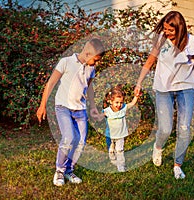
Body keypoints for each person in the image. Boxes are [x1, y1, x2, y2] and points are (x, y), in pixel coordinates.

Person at [134, 11, 194, 179]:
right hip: (163, 88)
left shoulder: (192, 43)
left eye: (170, 30)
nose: (167, 32)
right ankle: (158, 146)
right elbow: (149, 62)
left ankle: (178, 165)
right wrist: (139, 82)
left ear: (180, 29)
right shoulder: (161, 41)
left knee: (184, 129)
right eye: (164, 28)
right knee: (165, 128)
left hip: (186, 88)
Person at [36, 38, 105, 186]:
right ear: (87, 53)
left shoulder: (91, 68)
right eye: (96, 59)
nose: (96, 63)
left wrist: (92, 107)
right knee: (68, 138)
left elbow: (90, 88)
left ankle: (69, 170)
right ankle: (59, 171)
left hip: (80, 109)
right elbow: (51, 83)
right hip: (63, 107)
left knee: (80, 142)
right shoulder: (66, 62)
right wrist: (42, 106)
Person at [98, 85, 138, 172]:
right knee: (111, 150)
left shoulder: (123, 108)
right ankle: (113, 161)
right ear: (111, 101)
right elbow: (99, 117)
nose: (119, 105)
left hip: (120, 135)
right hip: (110, 136)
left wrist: (136, 96)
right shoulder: (107, 111)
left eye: (121, 102)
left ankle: (121, 166)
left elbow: (132, 103)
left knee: (120, 150)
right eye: (117, 102)